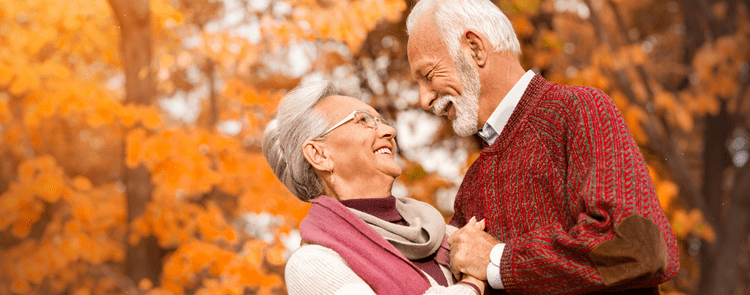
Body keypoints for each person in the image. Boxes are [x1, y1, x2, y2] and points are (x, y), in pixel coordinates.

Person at [405, 0, 680, 294]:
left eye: (429, 75)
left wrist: (497, 260)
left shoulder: (580, 110)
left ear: (474, 49)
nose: (425, 99)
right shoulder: (473, 183)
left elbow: (639, 247)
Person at [262, 80, 488, 295]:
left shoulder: (451, 236)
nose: (390, 132)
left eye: (382, 121)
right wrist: (473, 283)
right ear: (319, 155)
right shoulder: (311, 264)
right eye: (363, 120)